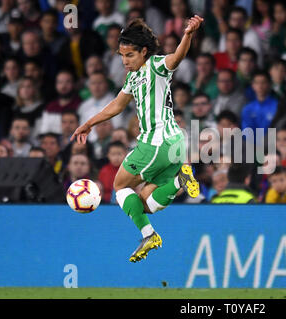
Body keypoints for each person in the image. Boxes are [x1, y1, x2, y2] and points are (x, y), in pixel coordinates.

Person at [71, 16, 204, 263]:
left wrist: (188, 35)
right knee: (144, 204)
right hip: (174, 144)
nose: (124, 61)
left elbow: (176, 58)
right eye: (121, 56)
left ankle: (149, 234)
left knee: (120, 186)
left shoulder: (156, 65)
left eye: (129, 55)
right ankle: (178, 182)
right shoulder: (132, 78)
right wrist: (89, 123)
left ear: (144, 51)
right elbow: (116, 106)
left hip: (155, 142)